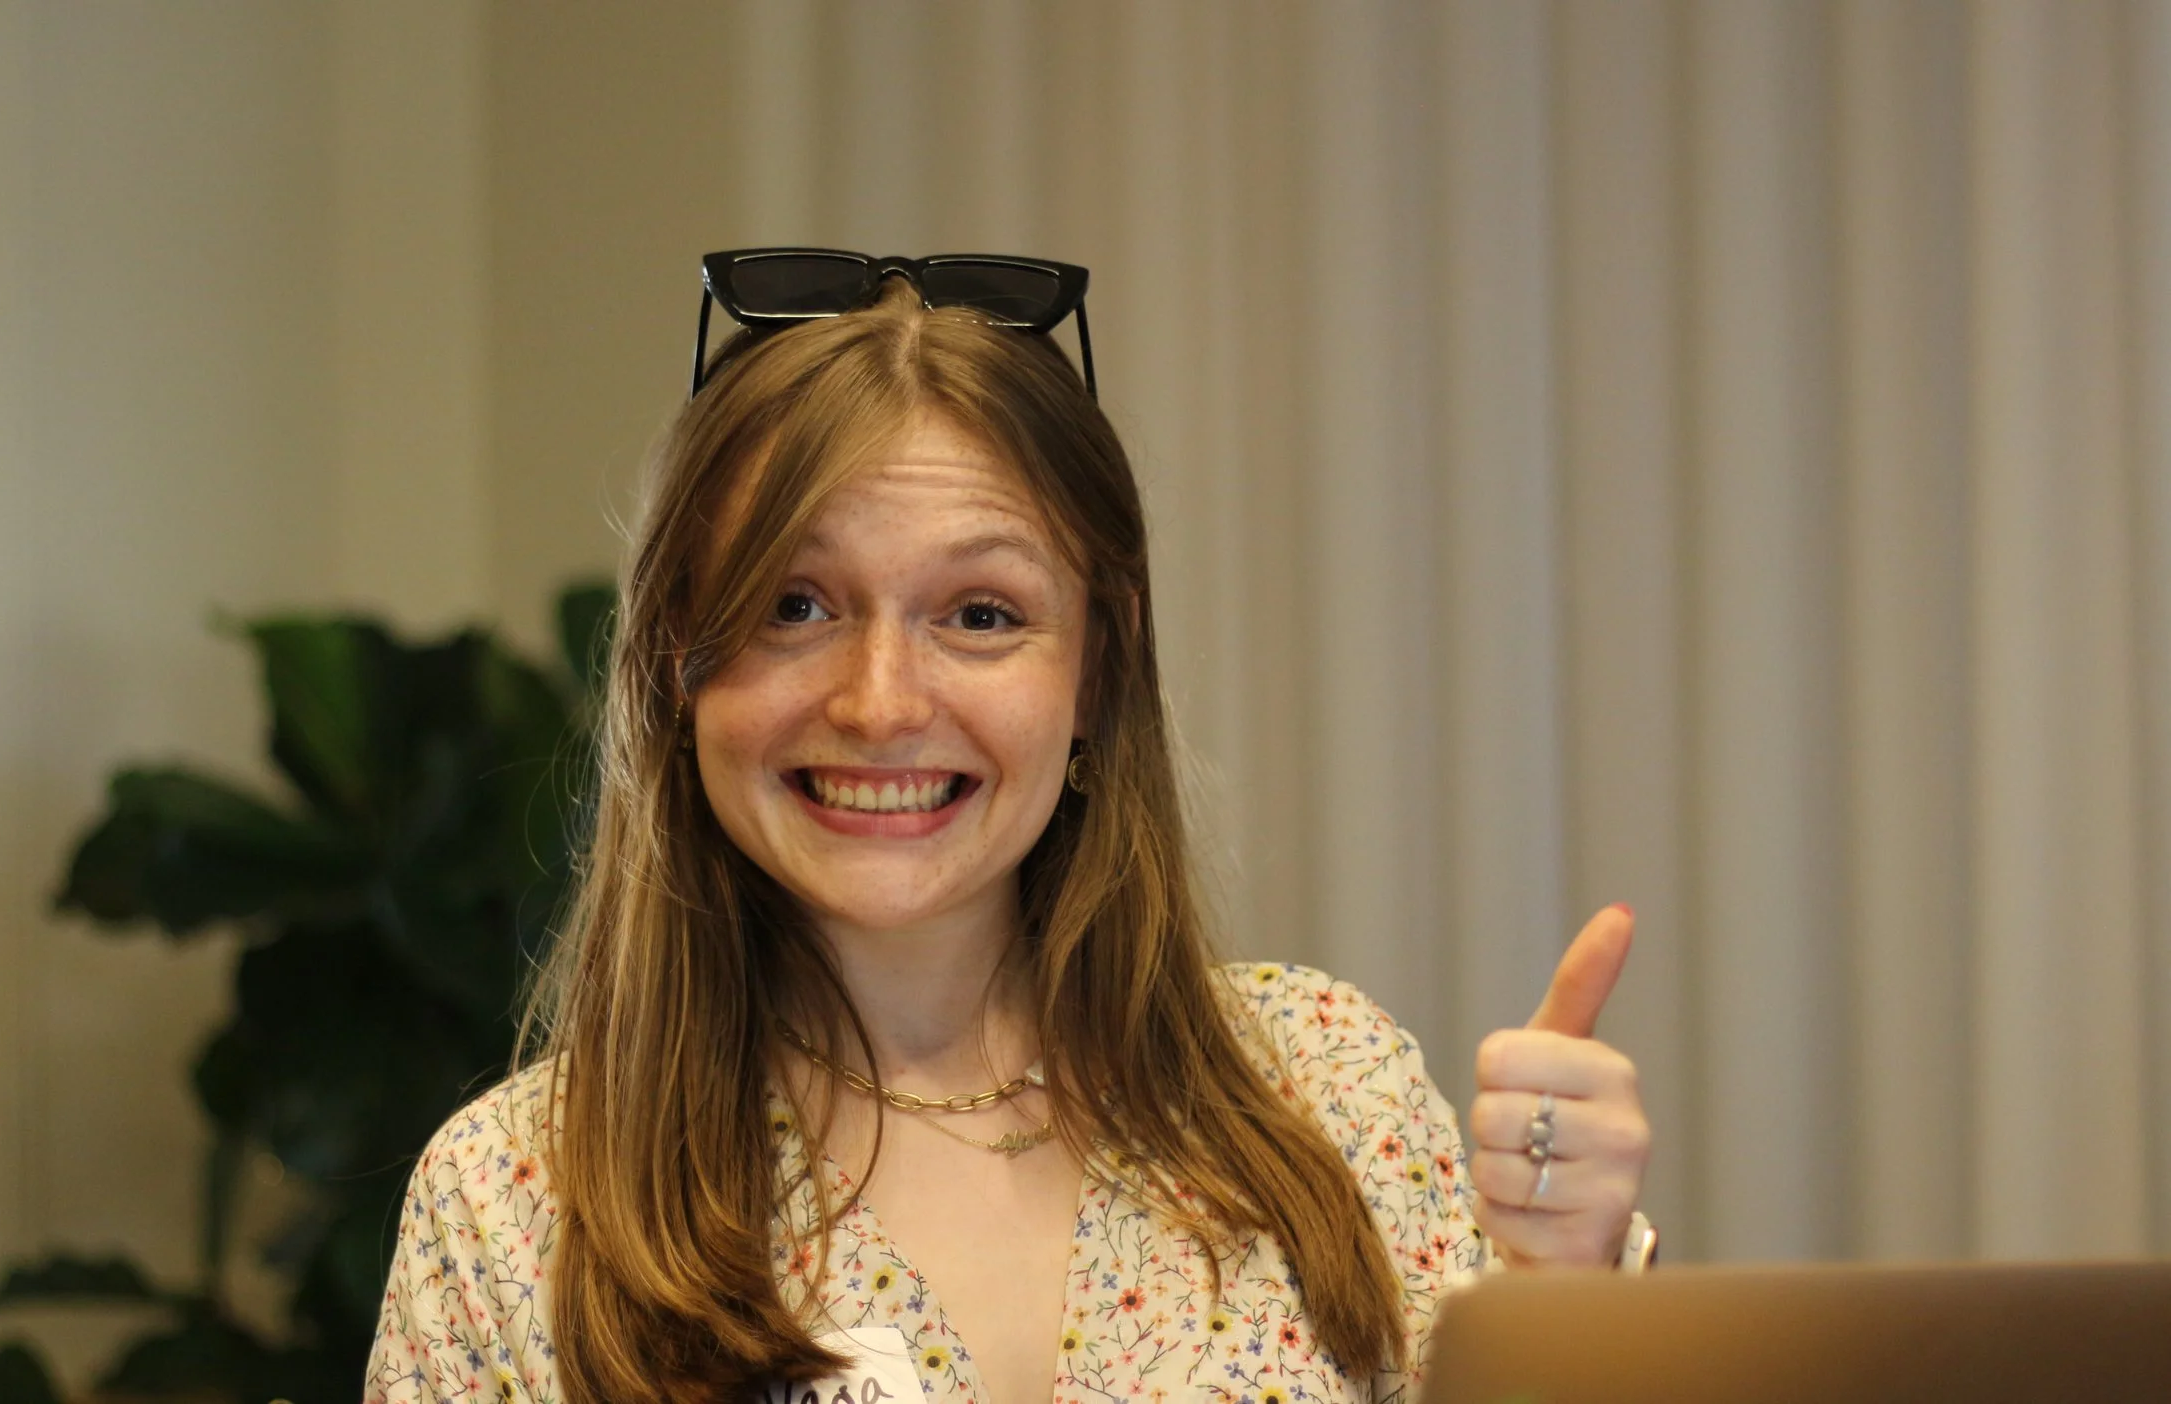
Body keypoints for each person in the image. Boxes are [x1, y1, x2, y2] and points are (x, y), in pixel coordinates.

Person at [365, 251, 1652, 1404]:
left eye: (979, 614)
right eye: (793, 606)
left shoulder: (1328, 1093)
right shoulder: (513, 1205)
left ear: (1098, 665)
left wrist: (1563, 1304)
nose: (879, 703)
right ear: (675, 661)